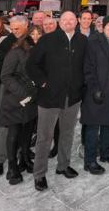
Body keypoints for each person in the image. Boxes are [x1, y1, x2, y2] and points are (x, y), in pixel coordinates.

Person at [26, 11, 86, 191]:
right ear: (60, 22)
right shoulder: (47, 40)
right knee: (44, 137)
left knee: (67, 133)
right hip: (49, 97)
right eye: (65, 20)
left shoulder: (82, 40)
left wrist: (82, 85)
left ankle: (63, 165)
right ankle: (39, 174)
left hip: (72, 97)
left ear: (76, 22)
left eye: (71, 20)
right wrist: (43, 82)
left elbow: (85, 65)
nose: (68, 22)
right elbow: (31, 65)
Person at [81, 17, 109, 174]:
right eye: (108, 25)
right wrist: (94, 89)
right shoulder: (94, 42)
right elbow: (88, 68)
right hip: (98, 90)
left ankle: (106, 154)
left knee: (108, 123)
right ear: (103, 27)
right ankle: (90, 161)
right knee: (93, 126)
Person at [0, 29, 37, 185]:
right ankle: (12, 167)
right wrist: (22, 94)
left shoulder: (39, 53)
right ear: (26, 37)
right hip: (16, 98)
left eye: (39, 35)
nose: (35, 38)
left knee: (27, 130)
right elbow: (5, 75)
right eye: (33, 35)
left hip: (32, 98)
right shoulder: (15, 52)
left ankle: (25, 159)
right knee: (13, 133)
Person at [0, 15, 30, 178]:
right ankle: (1, 161)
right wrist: (20, 89)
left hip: (29, 93)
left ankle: (24, 156)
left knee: (25, 125)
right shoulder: (8, 43)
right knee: (8, 127)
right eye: (12, 28)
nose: (15, 31)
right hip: (12, 91)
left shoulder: (31, 40)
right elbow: (3, 72)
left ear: (26, 26)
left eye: (18, 28)